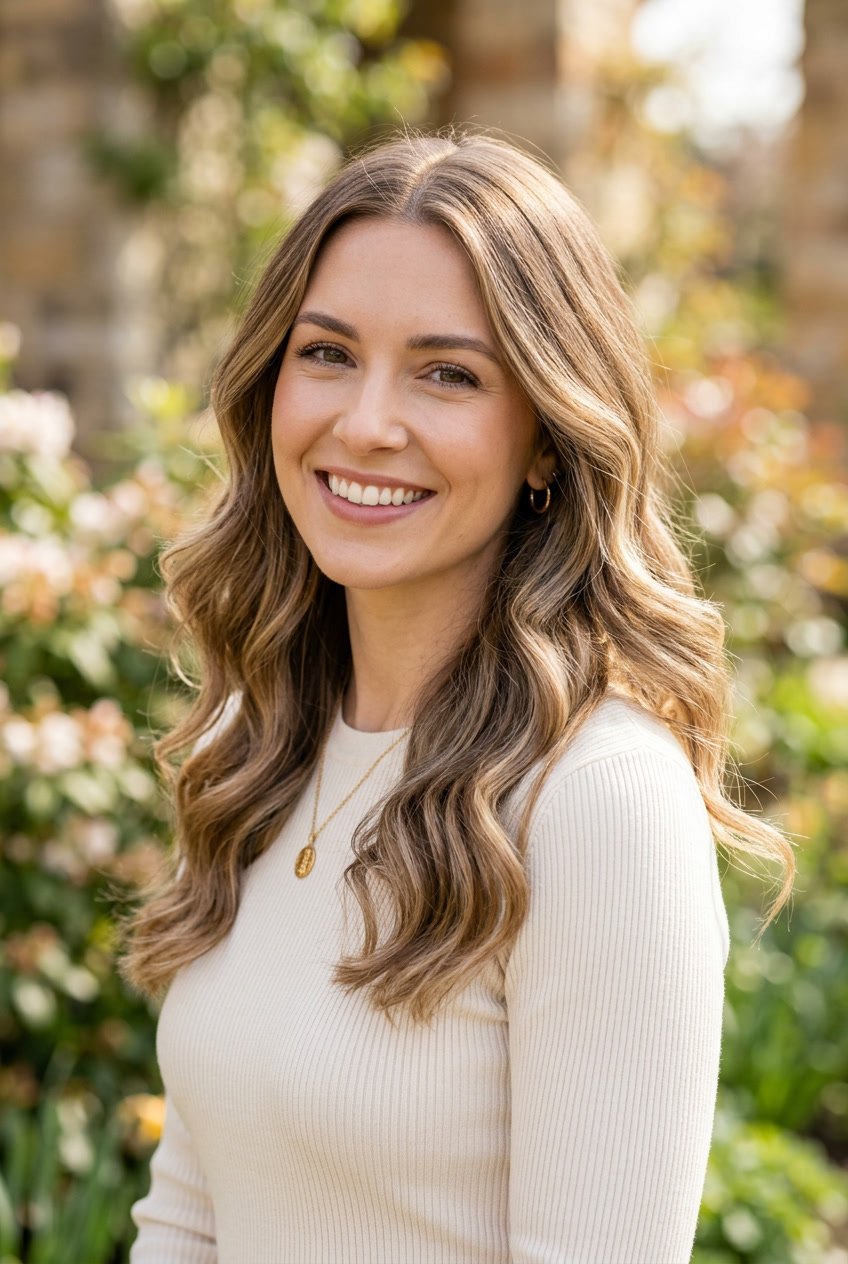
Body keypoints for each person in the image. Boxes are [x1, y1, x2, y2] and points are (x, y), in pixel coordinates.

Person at [118, 128, 795, 1263]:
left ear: (546, 436)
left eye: (446, 372)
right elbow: (190, 1213)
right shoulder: (265, 743)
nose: (366, 421)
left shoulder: (597, 802)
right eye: (326, 353)